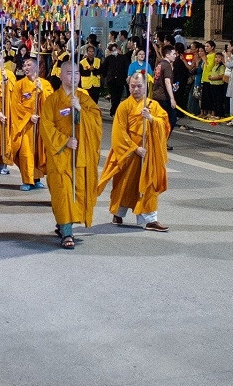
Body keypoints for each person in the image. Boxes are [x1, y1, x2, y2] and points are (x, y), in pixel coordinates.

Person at [39, 60, 102, 249]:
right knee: (62, 192)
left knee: (77, 191)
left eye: (76, 73)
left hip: (79, 155)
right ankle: (67, 233)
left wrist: (80, 111)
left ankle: (64, 223)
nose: (73, 77)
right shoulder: (52, 100)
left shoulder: (83, 97)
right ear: (60, 75)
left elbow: (96, 123)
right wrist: (65, 140)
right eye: (69, 73)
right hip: (60, 155)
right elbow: (46, 127)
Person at [98, 72, 170, 232]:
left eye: (139, 86)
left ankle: (150, 219)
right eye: (132, 86)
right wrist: (135, 148)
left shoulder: (153, 105)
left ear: (145, 87)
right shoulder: (124, 106)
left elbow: (164, 125)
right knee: (125, 185)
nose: (136, 89)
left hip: (148, 153)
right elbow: (119, 132)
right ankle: (118, 212)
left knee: (148, 185)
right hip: (130, 153)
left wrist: (150, 118)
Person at [8, 58, 52, 191]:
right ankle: (27, 180)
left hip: (41, 123)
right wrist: (28, 116)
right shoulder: (19, 84)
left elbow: (51, 102)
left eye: (29, 65)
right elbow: (15, 105)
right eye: (25, 65)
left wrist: (42, 91)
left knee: (39, 152)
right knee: (26, 152)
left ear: (37, 67)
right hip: (26, 124)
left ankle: (37, 178)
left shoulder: (45, 83)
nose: (26, 67)